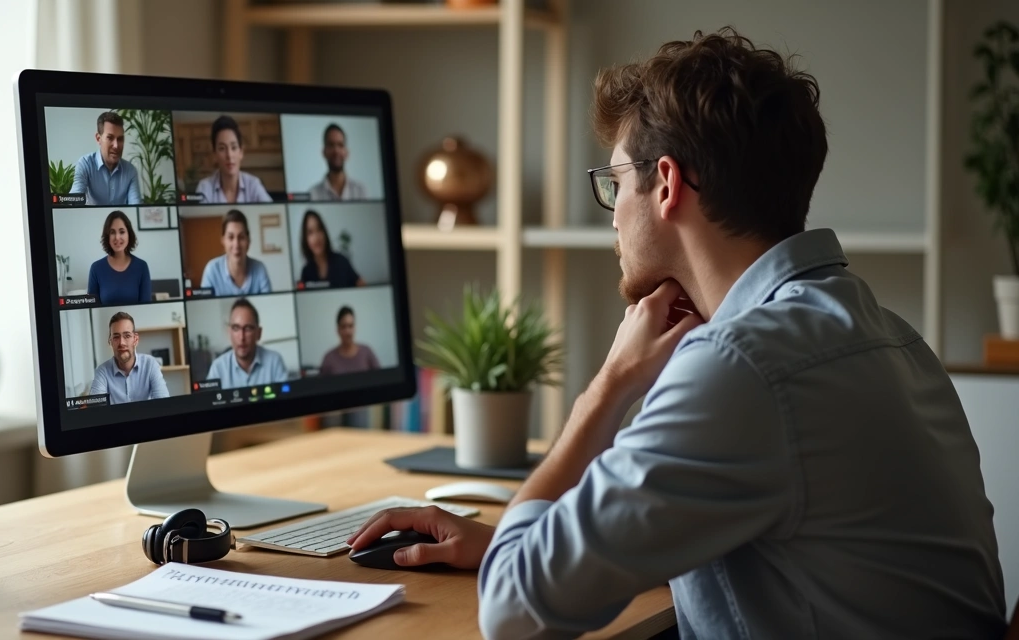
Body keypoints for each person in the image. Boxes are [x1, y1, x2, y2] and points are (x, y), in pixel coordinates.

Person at [346, 27, 1006, 640]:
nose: (612, 219)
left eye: (615, 184)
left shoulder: (743, 366)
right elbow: (746, 535)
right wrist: (510, 542)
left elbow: (512, 608)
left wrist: (607, 387)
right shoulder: (888, 336)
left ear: (665, 184)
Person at [89, 312, 170, 404]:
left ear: (135, 340)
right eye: (116, 337)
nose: (121, 343)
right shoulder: (102, 371)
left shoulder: (150, 364)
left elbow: (164, 404)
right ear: (110, 342)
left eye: (127, 336)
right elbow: (95, 409)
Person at [207, 298, 288, 388]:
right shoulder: (218, 368)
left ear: (259, 333)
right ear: (229, 332)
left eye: (248, 328)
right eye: (236, 328)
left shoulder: (274, 361)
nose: (242, 337)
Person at [194, 115, 273, 204]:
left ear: (241, 152)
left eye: (234, 147)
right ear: (215, 154)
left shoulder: (253, 184)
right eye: (222, 148)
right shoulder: (204, 188)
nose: (229, 155)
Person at [70, 111, 142, 206]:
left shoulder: (130, 171)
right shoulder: (85, 164)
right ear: (98, 138)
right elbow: (74, 202)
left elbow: (136, 206)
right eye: (110, 138)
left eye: (120, 139)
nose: (116, 146)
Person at [199, 210, 272, 295]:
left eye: (241, 237)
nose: (236, 244)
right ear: (223, 241)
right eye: (230, 237)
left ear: (248, 241)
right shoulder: (212, 270)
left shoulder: (260, 269)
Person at [87, 210, 152, 305]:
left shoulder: (142, 266)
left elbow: (146, 306)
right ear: (107, 236)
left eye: (122, 232)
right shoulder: (96, 268)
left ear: (129, 234)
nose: (117, 237)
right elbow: (92, 306)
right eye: (112, 232)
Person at [298, 209, 364, 289]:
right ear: (305, 239)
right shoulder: (306, 272)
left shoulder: (342, 261)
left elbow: (360, 284)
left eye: (319, 229)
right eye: (310, 232)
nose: (316, 237)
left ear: (324, 232)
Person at [308, 123, 368, 201]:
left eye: (340, 145)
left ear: (346, 152)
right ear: (324, 152)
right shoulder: (313, 194)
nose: (336, 151)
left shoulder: (360, 191)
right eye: (331, 145)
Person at [319, 306, 379, 375]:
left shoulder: (367, 352)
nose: (347, 331)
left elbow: (380, 379)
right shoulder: (329, 358)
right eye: (343, 326)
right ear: (338, 329)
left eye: (350, 326)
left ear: (354, 328)